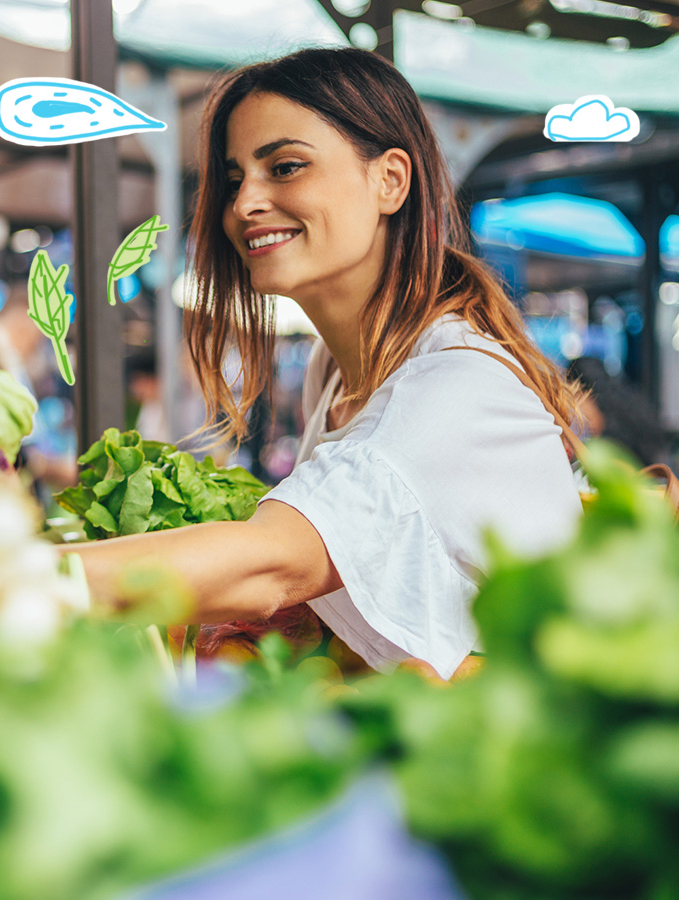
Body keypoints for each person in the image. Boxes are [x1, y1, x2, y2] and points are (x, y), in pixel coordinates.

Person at [65, 47, 589, 680]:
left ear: (390, 181)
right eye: (235, 180)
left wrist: (22, 582)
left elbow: (274, 564)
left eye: (285, 167)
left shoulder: (460, 384)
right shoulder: (333, 370)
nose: (244, 204)